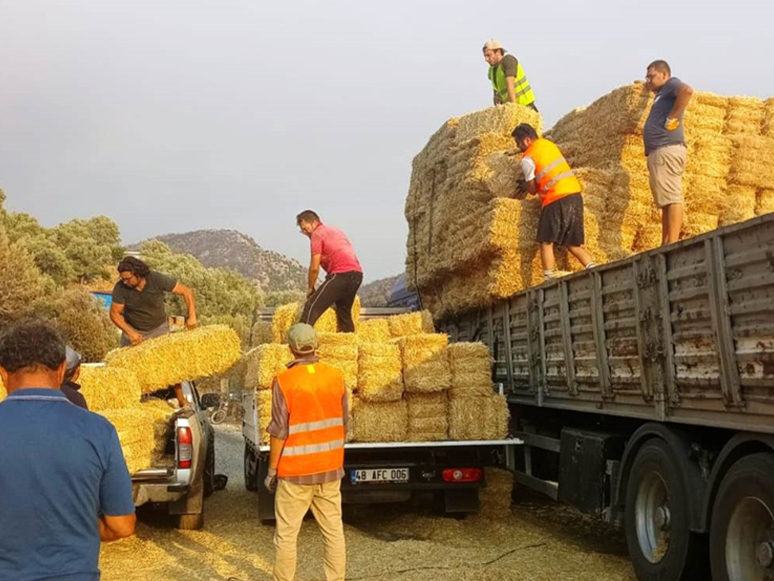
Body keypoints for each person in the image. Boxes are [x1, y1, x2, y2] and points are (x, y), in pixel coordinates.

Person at [0, 319, 136, 581]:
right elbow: (121, 525)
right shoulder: (98, 430)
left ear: (3, 373)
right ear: (62, 370)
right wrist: (73, 527)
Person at [265, 323, 348, 581]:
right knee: (333, 531)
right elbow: (344, 421)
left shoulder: (284, 381)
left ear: (291, 348)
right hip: (330, 469)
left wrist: (272, 471)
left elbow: (279, 431)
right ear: (317, 345)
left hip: (295, 474)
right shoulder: (336, 376)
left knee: (287, 535)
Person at [512, 123, 595, 280]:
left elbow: (532, 190)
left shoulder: (528, 158)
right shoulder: (548, 145)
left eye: (518, 143)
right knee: (572, 244)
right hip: (574, 194)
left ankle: (549, 277)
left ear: (527, 140)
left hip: (555, 198)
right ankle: (594, 268)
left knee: (546, 241)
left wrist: (523, 184)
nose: (518, 147)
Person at [643, 60, 694, 245]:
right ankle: (666, 242)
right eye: (647, 76)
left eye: (652, 76)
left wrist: (673, 116)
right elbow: (647, 86)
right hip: (660, 151)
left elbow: (687, 91)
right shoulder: (661, 93)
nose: (648, 80)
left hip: (666, 148)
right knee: (665, 200)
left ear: (665, 75)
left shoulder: (672, 84)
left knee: (672, 197)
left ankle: (671, 243)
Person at [297, 210, 363, 333]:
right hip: (357, 275)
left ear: (314, 222)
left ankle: (299, 344)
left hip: (341, 274)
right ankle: (348, 347)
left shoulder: (317, 234)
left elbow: (314, 268)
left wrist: (310, 288)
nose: (305, 233)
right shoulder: (335, 231)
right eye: (302, 231)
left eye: (305, 229)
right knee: (344, 314)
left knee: (311, 306)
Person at [110, 256, 198, 347]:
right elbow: (114, 314)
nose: (124, 282)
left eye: (127, 279)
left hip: (159, 328)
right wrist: (130, 333)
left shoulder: (155, 278)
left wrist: (192, 316)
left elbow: (187, 292)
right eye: (122, 279)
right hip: (134, 331)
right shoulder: (120, 288)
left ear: (137, 274)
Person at [483, 39, 537, 111]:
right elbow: (496, 94)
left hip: (525, 107)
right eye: (485, 56)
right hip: (509, 109)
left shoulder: (508, 61)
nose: (486, 59)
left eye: (489, 55)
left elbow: (510, 84)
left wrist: (513, 109)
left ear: (498, 52)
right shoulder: (492, 70)